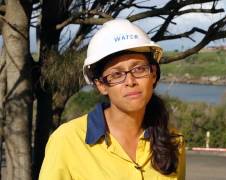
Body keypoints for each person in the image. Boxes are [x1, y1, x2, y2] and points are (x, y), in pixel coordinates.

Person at [39, 19, 186, 180]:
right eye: (117, 74)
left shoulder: (173, 140)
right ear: (101, 85)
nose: (130, 82)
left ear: (153, 74)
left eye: (139, 69)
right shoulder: (67, 140)